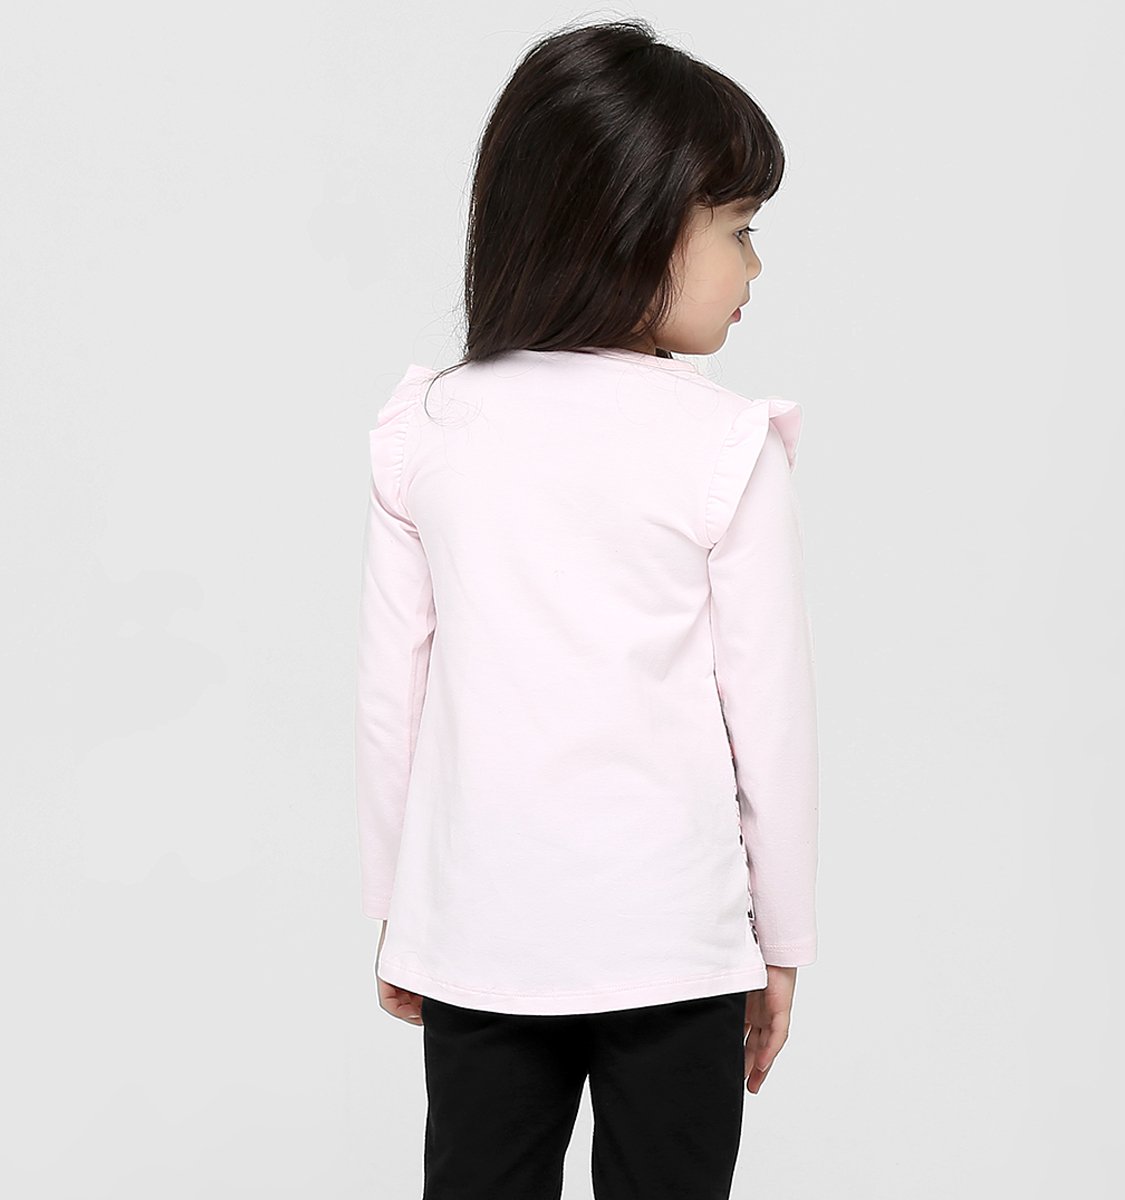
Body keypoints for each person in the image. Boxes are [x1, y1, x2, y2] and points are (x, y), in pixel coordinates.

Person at [353, 18, 820, 1200]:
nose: (756, 268)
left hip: (479, 936)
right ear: (636, 224)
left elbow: (391, 699)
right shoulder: (724, 445)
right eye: (740, 229)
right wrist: (781, 941)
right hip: (676, 946)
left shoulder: (430, 428)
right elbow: (768, 722)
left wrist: (400, 913)